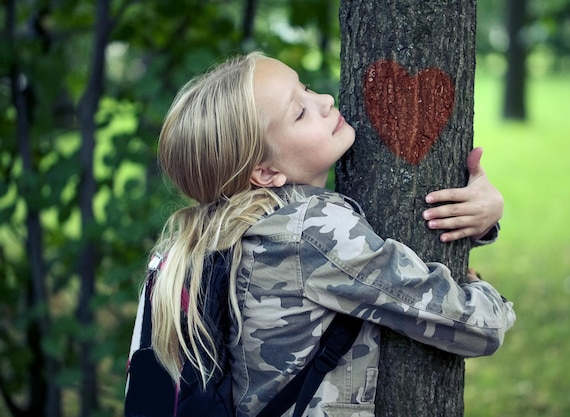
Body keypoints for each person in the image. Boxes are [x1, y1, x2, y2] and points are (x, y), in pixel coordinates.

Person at [129, 51, 515, 417]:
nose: (327, 100)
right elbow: (478, 327)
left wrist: (481, 222)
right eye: (299, 113)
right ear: (265, 173)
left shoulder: (206, 238)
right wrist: (479, 285)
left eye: (308, 88)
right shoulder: (313, 232)